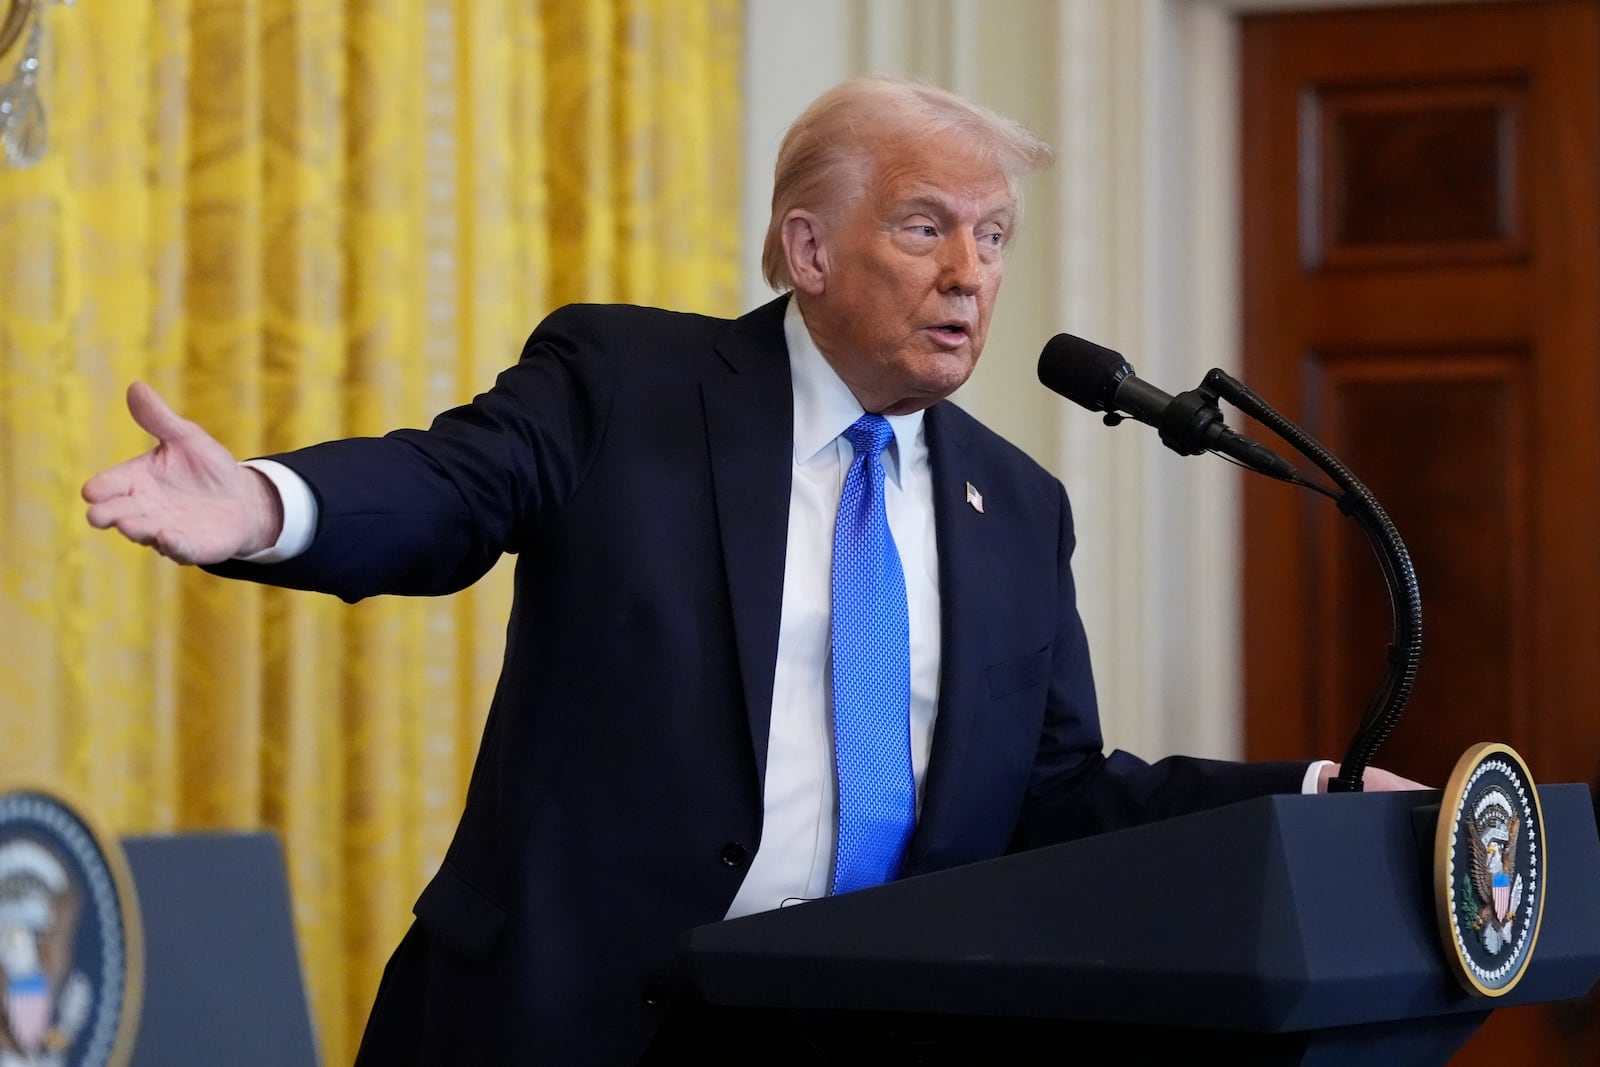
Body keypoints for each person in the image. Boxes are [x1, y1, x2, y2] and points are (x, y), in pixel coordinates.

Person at [83, 77, 1419, 1064]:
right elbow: (451, 490)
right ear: (808, 249)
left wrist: (1310, 793)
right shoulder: (628, 385)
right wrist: (270, 501)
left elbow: (1054, 799)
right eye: (926, 229)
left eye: (995, 237)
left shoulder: (1015, 507)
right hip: (569, 1024)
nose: (972, 274)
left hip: (851, 1029)